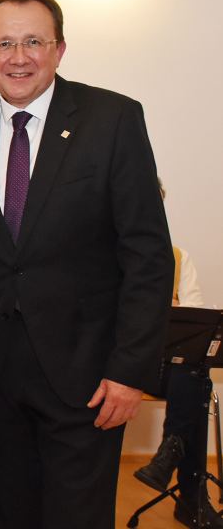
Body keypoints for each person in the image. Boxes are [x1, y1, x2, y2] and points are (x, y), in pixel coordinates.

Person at [0, 0, 173, 528]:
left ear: (60, 49)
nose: (19, 57)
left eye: (34, 42)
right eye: (4, 44)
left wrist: (130, 371)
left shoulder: (112, 120)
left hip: (87, 381)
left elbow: (147, 255)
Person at [133, 180, 218, 528]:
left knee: (193, 371)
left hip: (169, 366)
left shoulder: (178, 258)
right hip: (125, 363)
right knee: (196, 384)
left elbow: (196, 321)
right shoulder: (102, 258)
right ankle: (192, 498)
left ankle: (170, 452)